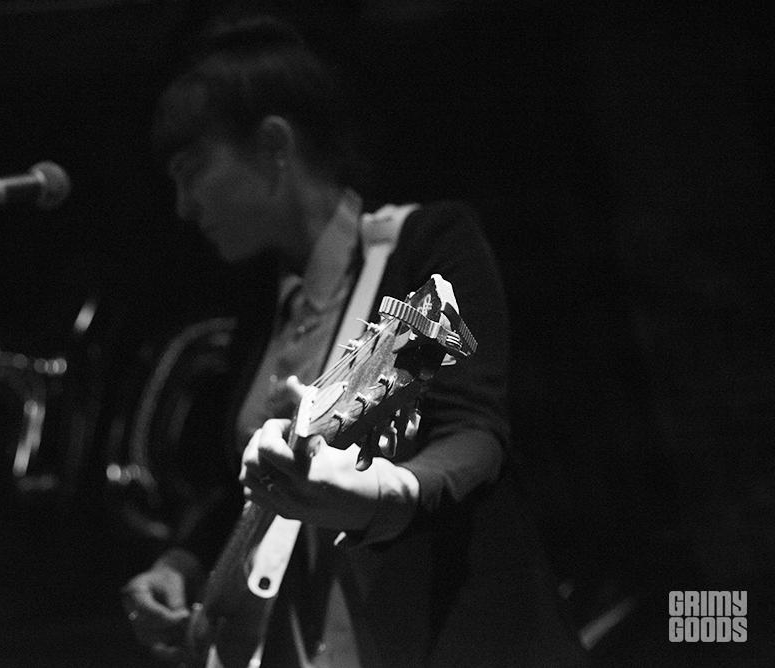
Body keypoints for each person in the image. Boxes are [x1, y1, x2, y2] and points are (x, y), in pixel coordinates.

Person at [122, 14, 586, 667]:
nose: (182, 205)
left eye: (190, 169)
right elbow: (257, 487)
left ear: (273, 146)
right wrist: (182, 563)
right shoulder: (266, 312)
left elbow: (472, 430)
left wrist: (383, 494)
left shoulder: (420, 250)